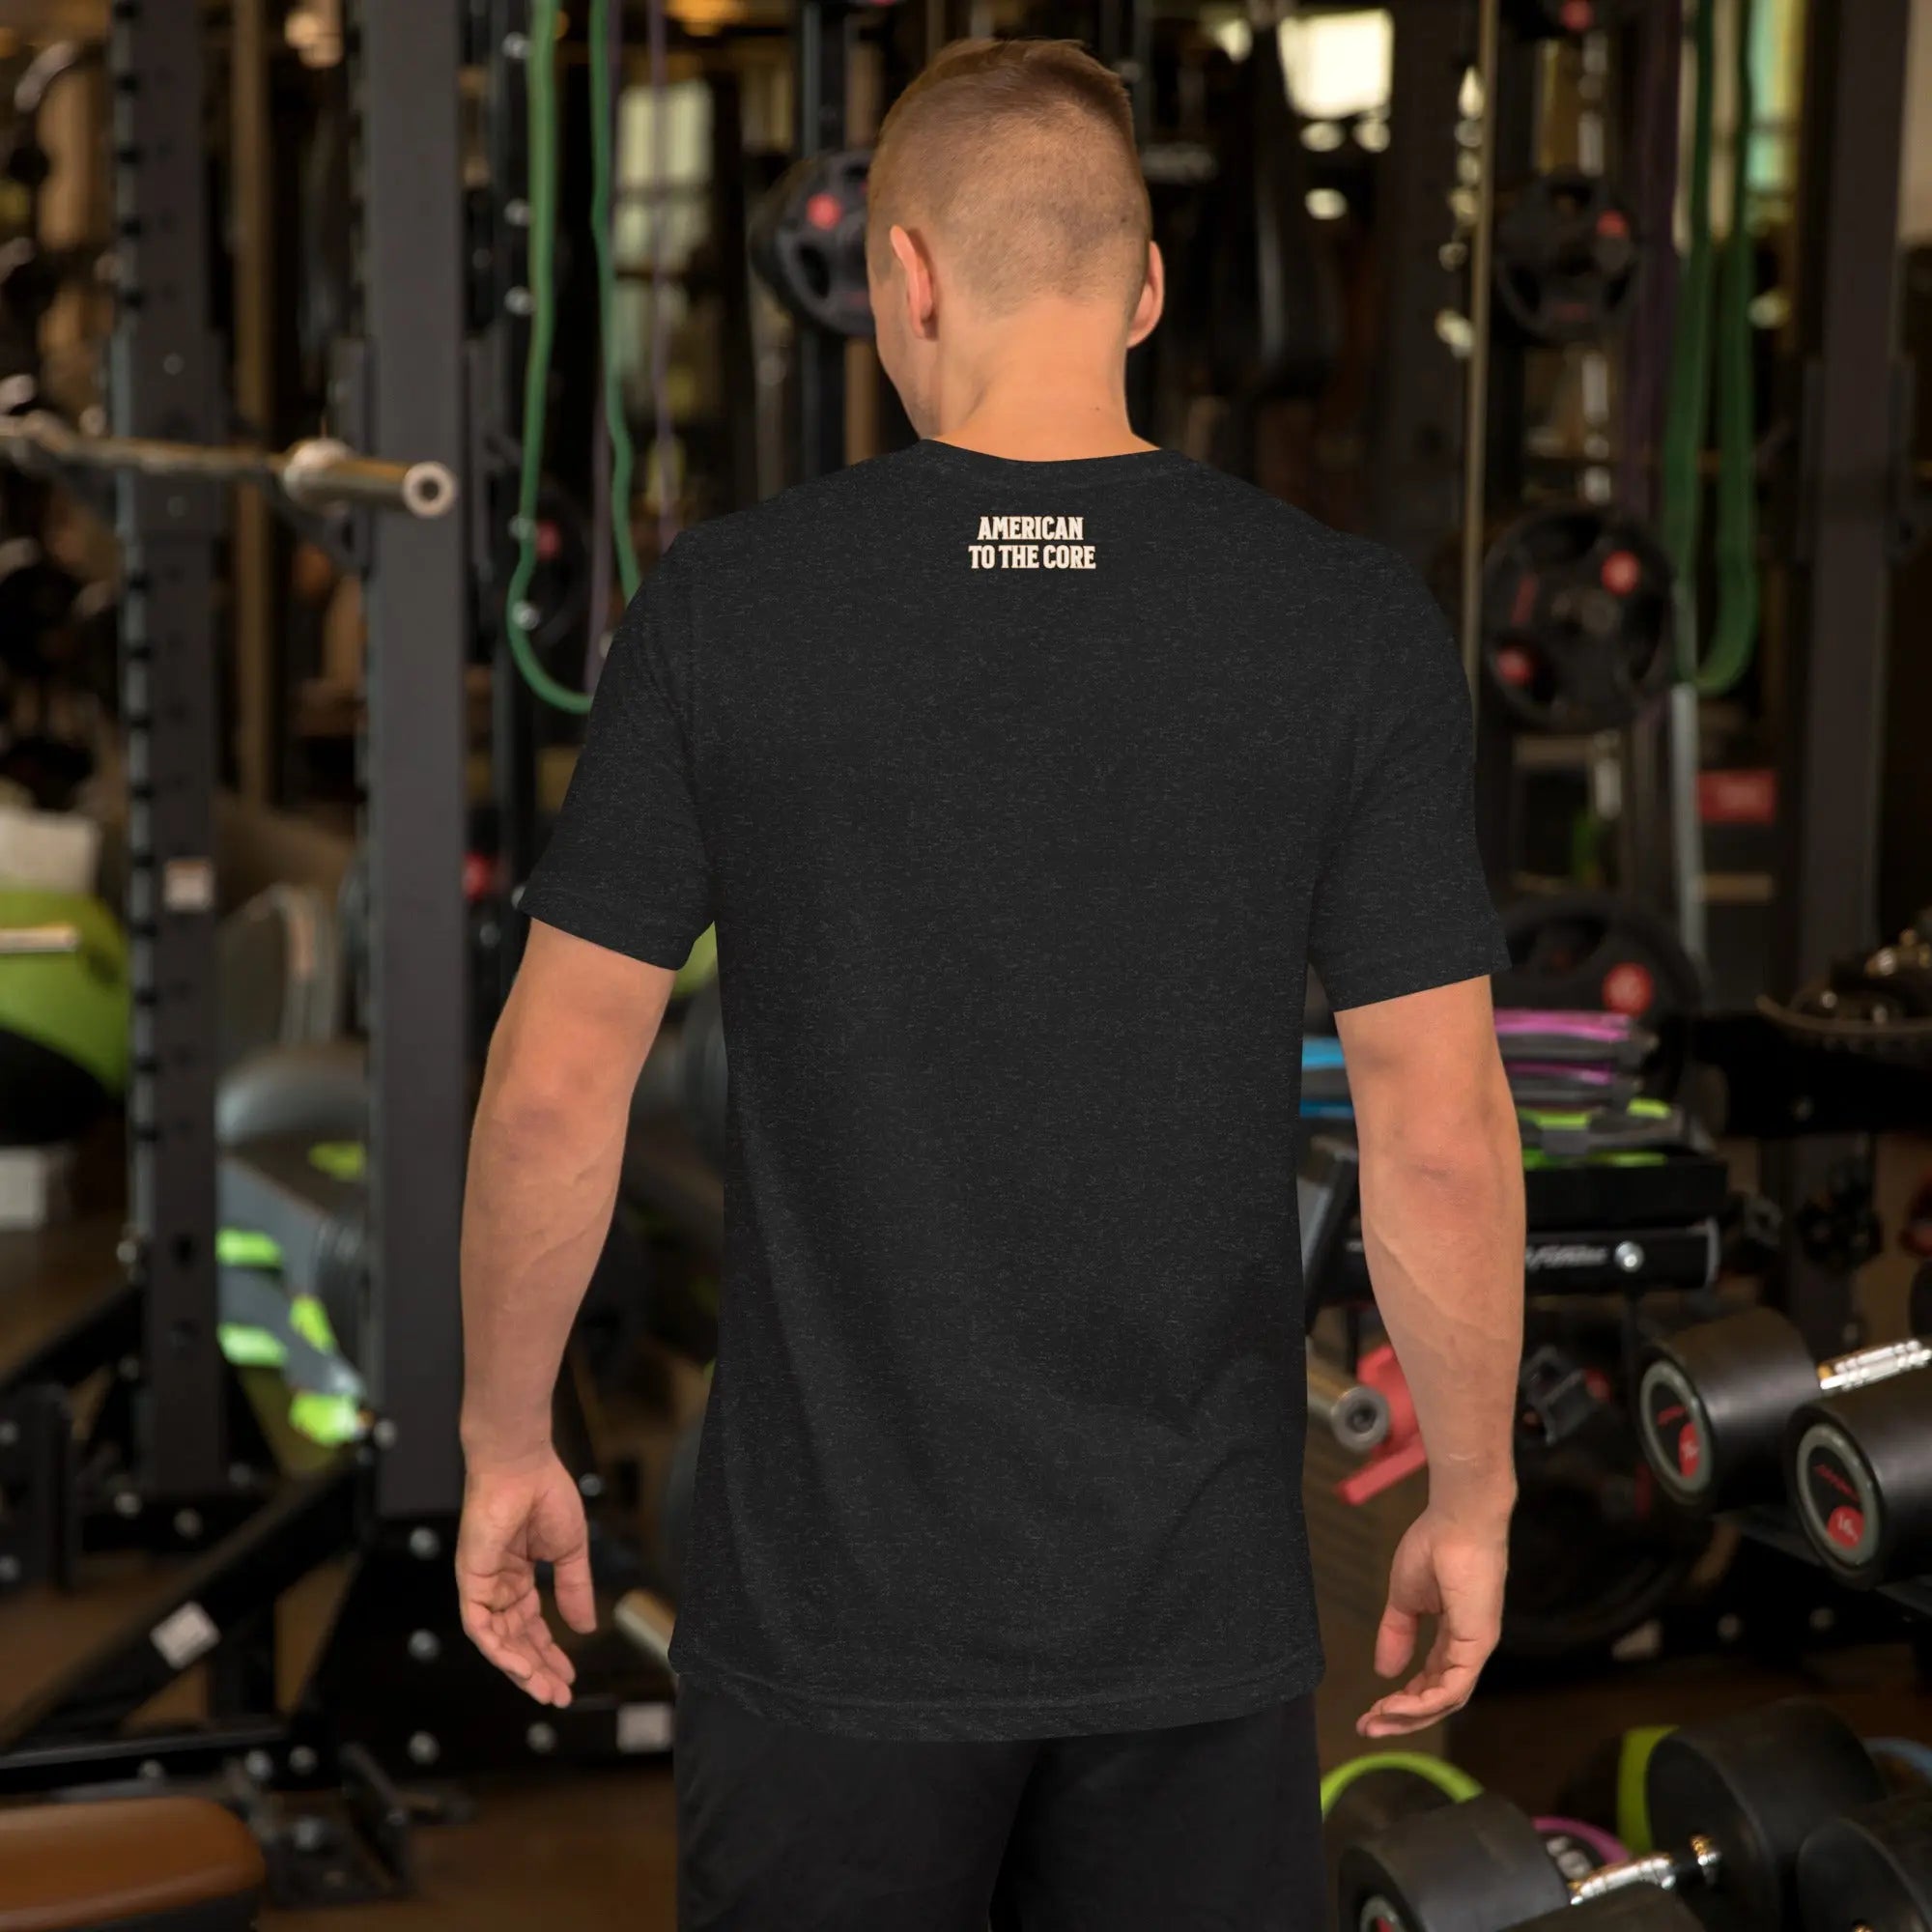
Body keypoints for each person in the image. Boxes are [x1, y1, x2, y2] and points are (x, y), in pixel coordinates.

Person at [457, 37, 1523, 1932]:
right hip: (1192, 1623)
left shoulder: (726, 604)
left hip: (830, 1627)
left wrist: (506, 1441)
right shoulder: (1341, 623)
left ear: (904, 274)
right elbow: (1431, 1122)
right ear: (1147, 287)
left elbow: (555, 1088)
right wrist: (1474, 1494)